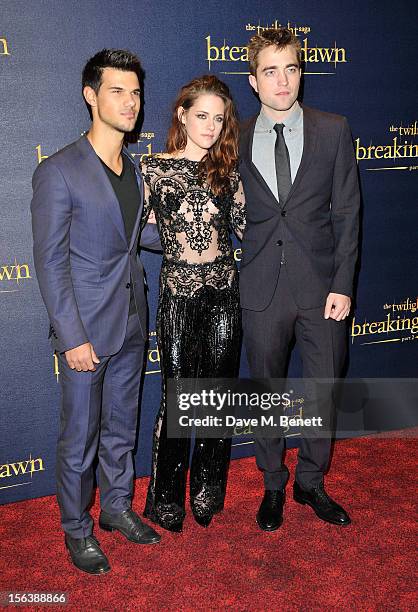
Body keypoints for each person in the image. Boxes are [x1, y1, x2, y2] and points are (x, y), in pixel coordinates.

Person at [31, 49, 162, 575]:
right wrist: (72, 336)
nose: (131, 102)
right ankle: (77, 531)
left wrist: (195, 231)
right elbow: (50, 263)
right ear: (91, 95)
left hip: (132, 319)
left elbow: (137, 237)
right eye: (117, 91)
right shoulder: (58, 171)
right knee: (79, 437)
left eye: (135, 92)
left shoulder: (135, 169)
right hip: (85, 329)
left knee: (121, 426)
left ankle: (115, 509)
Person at [239, 28, 360, 531]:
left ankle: (311, 482)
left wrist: (343, 283)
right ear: (253, 81)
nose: (283, 80)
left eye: (291, 68)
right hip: (260, 286)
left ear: (301, 71)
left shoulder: (333, 129)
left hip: (321, 289)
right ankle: (273, 485)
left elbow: (348, 212)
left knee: (321, 390)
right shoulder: (235, 137)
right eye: (270, 70)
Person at [140, 75, 245, 532]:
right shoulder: (152, 169)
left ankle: (207, 490)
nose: (210, 127)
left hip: (225, 294)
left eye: (218, 119)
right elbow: (128, 231)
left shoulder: (229, 173)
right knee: (178, 397)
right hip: (178, 295)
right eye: (201, 116)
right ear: (182, 115)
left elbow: (250, 232)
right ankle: (165, 496)